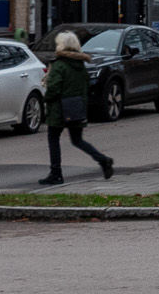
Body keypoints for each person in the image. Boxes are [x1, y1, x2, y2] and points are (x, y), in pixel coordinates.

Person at [38, 30, 115, 187]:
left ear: (62, 46)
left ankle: (56, 174)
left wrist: (45, 99)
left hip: (58, 108)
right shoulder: (80, 66)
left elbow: (53, 88)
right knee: (77, 140)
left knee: (53, 139)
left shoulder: (59, 65)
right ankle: (103, 160)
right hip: (76, 107)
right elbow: (86, 86)